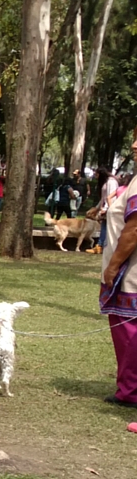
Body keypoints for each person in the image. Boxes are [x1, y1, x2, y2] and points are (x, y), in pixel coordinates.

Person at [99, 129, 137, 408]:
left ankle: (130, 391)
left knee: (129, 333)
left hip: (131, 274)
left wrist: (113, 267)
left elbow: (133, 229)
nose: (134, 145)